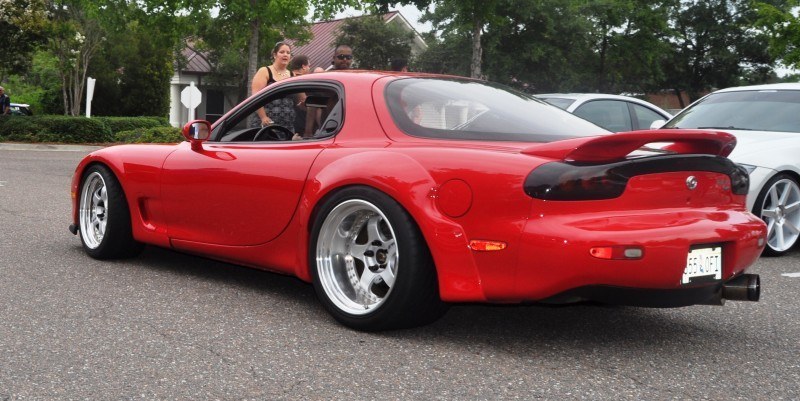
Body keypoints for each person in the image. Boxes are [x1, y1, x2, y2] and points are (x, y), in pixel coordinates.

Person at [250, 42, 295, 129]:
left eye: (288, 53)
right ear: (275, 55)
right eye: (282, 52)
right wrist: (263, 117)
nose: (285, 55)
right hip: (266, 125)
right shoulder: (264, 71)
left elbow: (301, 98)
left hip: (288, 126)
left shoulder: (292, 74)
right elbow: (255, 96)